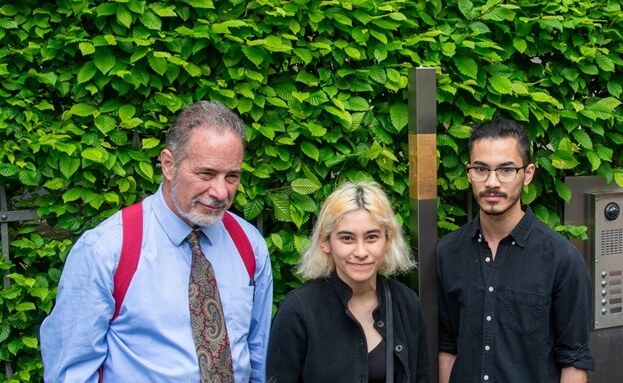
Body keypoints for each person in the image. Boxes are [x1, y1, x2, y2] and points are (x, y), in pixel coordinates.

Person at [40, 100, 273, 382]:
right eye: (206, 174)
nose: (221, 191)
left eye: (232, 176)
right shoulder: (107, 250)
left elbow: (258, 355)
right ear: (168, 164)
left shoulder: (249, 245)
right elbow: (71, 372)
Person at [436, 117, 595, 382]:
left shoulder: (562, 260)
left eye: (506, 170)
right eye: (481, 169)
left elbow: (574, 362)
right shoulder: (448, 252)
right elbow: (448, 347)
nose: (492, 182)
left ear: (528, 173)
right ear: (469, 173)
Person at [267, 181, 430, 382]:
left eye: (371, 237)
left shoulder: (406, 304)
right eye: (347, 238)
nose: (361, 252)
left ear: (387, 240)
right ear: (325, 242)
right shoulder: (299, 309)